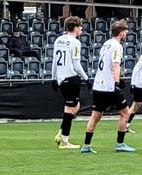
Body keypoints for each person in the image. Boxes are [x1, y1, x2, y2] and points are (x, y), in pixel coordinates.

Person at [81, 19, 135, 153]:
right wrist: (117, 83)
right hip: (109, 86)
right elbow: (115, 65)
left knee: (95, 116)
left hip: (98, 85)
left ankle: (86, 146)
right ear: (121, 33)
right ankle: (120, 144)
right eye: (125, 31)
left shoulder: (106, 44)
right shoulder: (117, 46)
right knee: (125, 113)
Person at [51, 16, 91, 149]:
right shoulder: (75, 42)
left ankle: (61, 133)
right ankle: (64, 140)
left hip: (61, 78)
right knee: (69, 109)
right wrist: (86, 78)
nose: (81, 30)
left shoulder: (59, 40)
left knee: (76, 106)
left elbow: (54, 61)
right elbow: (76, 64)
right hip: (71, 77)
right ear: (75, 28)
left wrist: (53, 78)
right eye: (80, 27)